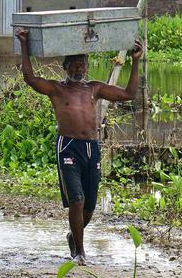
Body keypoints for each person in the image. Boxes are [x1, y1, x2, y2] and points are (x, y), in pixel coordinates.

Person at [16, 28, 143, 265]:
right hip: (68, 147)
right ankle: (80, 252)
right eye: (74, 64)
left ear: (86, 67)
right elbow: (30, 79)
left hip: (91, 148)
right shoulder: (56, 89)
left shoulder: (94, 88)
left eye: (82, 64)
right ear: (65, 67)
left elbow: (128, 93)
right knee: (76, 199)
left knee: (89, 208)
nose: (78, 69)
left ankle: (73, 236)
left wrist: (135, 62)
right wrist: (24, 45)